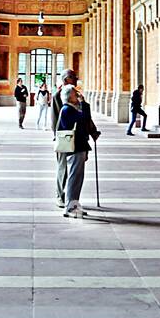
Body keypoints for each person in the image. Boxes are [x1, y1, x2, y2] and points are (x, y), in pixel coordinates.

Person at [53, 68, 99, 217]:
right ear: (66, 79)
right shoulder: (62, 100)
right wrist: (57, 137)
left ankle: (72, 201)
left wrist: (92, 133)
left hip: (78, 141)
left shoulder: (76, 103)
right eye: (72, 78)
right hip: (66, 140)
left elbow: (86, 119)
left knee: (76, 174)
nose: (75, 81)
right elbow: (57, 119)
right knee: (65, 170)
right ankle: (63, 198)